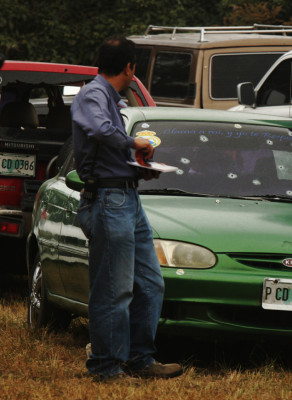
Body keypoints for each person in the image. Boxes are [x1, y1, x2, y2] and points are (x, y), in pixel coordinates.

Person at [71, 36, 182, 381]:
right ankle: (104, 366)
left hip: (126, 196)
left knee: (149, 283)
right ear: (130, 68)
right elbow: (98, 129)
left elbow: (106, 145)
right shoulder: (93, 94)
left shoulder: (109, 98)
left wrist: (138, 165)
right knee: (113, 289)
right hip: (108, 200)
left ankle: (139, 359)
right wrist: (135, 141)